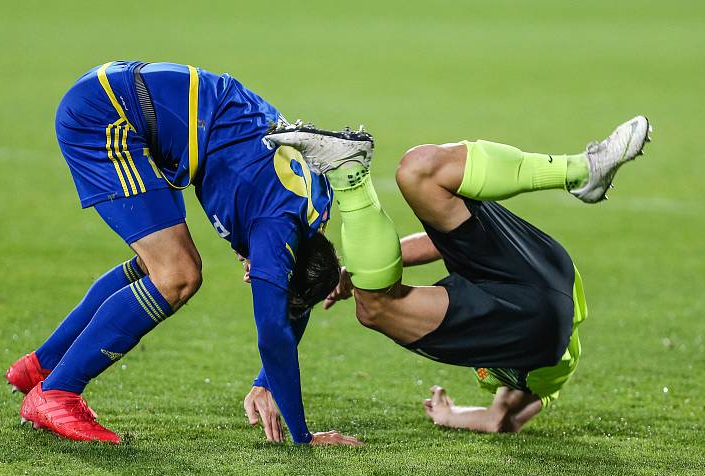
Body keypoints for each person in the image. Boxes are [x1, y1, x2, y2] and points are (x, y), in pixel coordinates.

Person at [5, 61, 361, 446]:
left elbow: (293, 301)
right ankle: (58, 392)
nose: (251, 279)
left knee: (157, 264)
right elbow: (273, 329)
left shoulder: (314, 210)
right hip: (109, 114)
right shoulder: (274, 236)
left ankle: (42, 366)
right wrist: (303, 436)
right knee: (177, 274)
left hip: (144, 105)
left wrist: (266, 381)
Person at [264, 116, 651, 433]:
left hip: (551, 279)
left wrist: (453, 415)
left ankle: (577, 168)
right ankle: (583, 169)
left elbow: (503, 418)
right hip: (538, 297)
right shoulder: (533, 367)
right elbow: (502, 419)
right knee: (415, 182)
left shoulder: (532, 369)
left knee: (420, 184)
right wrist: (361, 271)